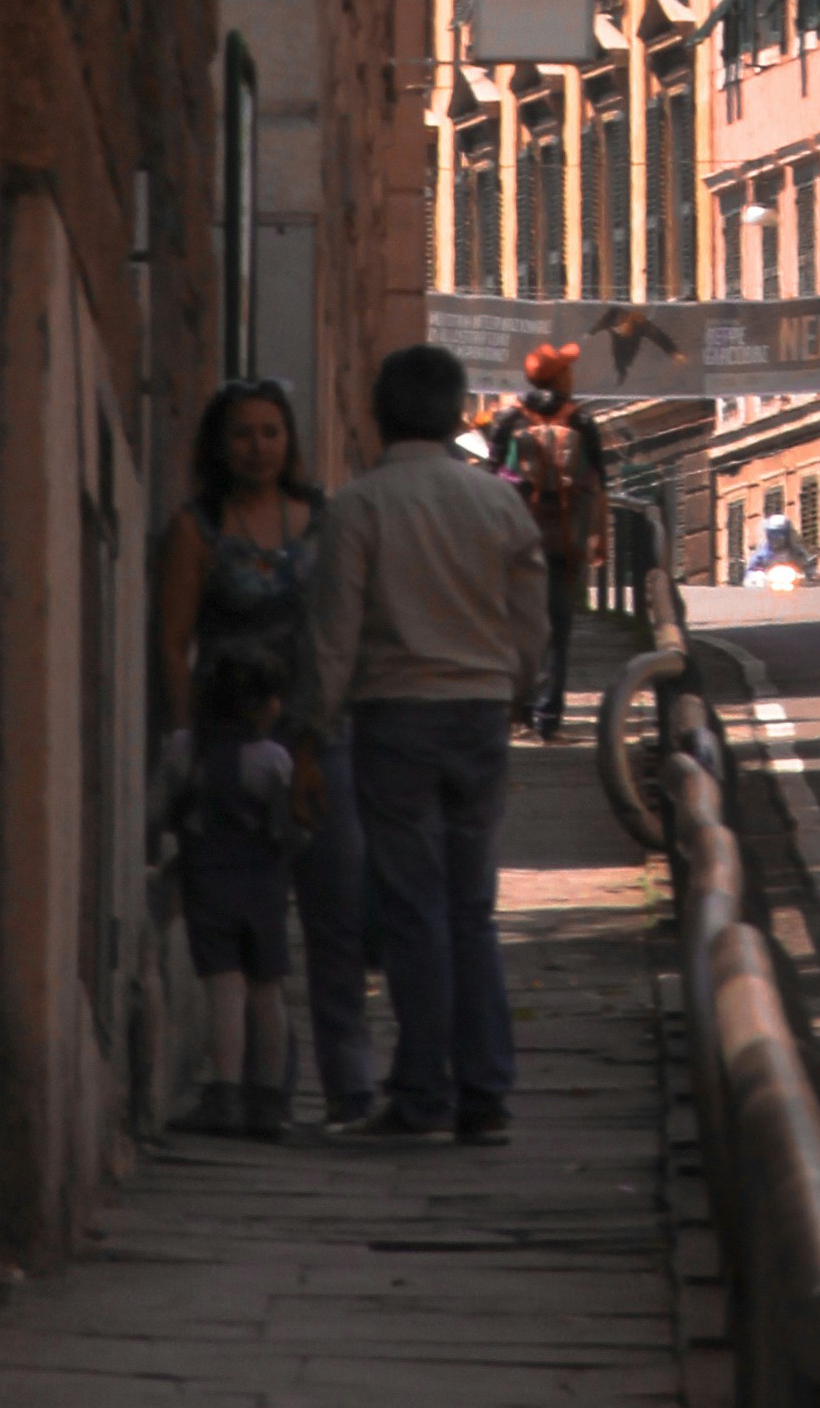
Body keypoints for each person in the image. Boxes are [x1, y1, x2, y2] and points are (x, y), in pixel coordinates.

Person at [309, 341, 548, 1144]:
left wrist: (316, 726)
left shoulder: (358, 507)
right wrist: (517, 687)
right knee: (471, 909)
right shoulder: (497, 503)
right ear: (456, 416)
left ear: (378, 414)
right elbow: (530, 620)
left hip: (397, 716)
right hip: (479, 713)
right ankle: (486, 1094)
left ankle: (421, 1096)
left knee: (414, 909)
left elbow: (335, 636)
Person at [154, 381, 378, 1130]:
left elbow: (348, 621)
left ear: (291, 442)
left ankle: (347, 1089)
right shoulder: (198, 529)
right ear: (220, 445)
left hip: (320, 732)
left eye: (272, 432)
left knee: (333, 911)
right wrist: (185, 736)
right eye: (244, 433)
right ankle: (258, 1093)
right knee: (241, 923)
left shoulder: (322, 523)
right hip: (230, 743)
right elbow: (173, 639)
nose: (259, 446)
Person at [167, 655, 302, 1136]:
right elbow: (289, 825)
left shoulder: (185, 750)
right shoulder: (274, 760)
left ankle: (223, 1096)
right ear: (266, 707)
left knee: (224, 987)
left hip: (208, 879)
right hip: (262, 885)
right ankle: (267, 1102)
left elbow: (162, 807)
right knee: (267, 990)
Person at [488, 344, 611, 740]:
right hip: (564, 542)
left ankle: (515, 717)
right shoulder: (581, 422)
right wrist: (598, 540)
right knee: (558, 632)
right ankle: (548, 722)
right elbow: (599, 485)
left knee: (514, 629)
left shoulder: (508, 419)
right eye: (568, 371)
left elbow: (492, 478)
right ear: (560, 378)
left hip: (516, 542)